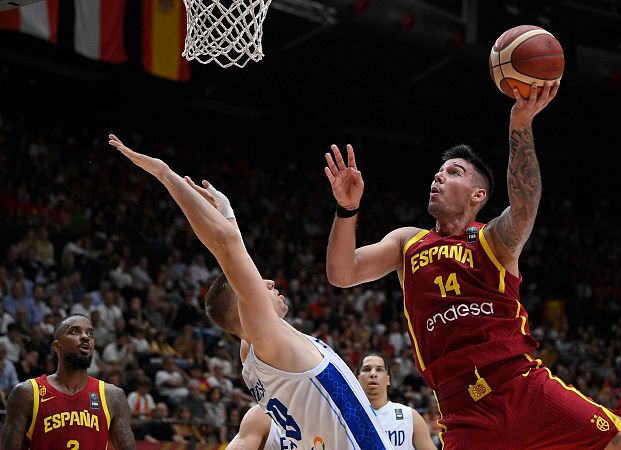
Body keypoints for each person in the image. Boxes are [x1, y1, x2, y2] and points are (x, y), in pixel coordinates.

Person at [324, 83, 621, 449]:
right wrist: (347, 210)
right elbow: (341, 274)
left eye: (453, 172)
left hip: (523, 388)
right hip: (462, 412)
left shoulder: (492, 239)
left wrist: (520, 122)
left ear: (478, 194)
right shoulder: (407, 242)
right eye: (437, 171)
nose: (438, 176)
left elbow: (524, 204)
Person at [109, 134, 392, 450]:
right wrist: (165, 174)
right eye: (259, 285)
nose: (269, 283)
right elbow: (227, 249)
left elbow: (235, 254)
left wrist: (228, 213)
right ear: (245, 305)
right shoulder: (270, 340)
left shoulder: (252, 353)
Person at [0, 313, 136, 450]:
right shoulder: (26, 393)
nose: (85, 337)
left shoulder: (112, 396)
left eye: (90, 333)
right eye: (75, 331)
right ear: (57, 346)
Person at [358, 352, 437, 450]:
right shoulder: (346, 418)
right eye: (367, 369)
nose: (373, 374)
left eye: (379, 369)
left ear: (388, 380)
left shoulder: (409, 416)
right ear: (358, 379)